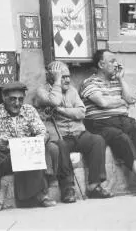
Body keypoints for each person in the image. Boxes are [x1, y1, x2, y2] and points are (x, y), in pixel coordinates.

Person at [79, 49, 136, 195]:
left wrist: (121, 79)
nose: (116, 64)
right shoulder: (89, 83)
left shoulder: (116, 81)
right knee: (123, 139)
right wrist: (121, 102)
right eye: (112, 61)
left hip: (123, 120)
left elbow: (129, 99)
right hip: (101, 123)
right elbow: (102, 102)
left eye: (116, 61)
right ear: (101, 64)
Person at [33, 61, 113, 202]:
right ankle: (67, 188)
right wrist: (57, 83)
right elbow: (55, 101)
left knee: (97, 140)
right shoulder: (42, 91)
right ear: (51, 77)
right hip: (60, 135)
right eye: (62, 77)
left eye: (68, 76)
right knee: (61, 146)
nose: (68, 80)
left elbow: (81, 113)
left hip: (78, 133)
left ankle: (94, 185)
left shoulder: (72, 91)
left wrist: (62, 111)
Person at [0, 81, 58, 212]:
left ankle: (42, 193)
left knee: (51, 147)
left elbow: (43, 132)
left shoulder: (29, 110)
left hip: (27, 156)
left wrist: (39, 140)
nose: (17, 103)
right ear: (4, 97)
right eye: (12, 99)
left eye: (20, 99)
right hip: (5, 158)